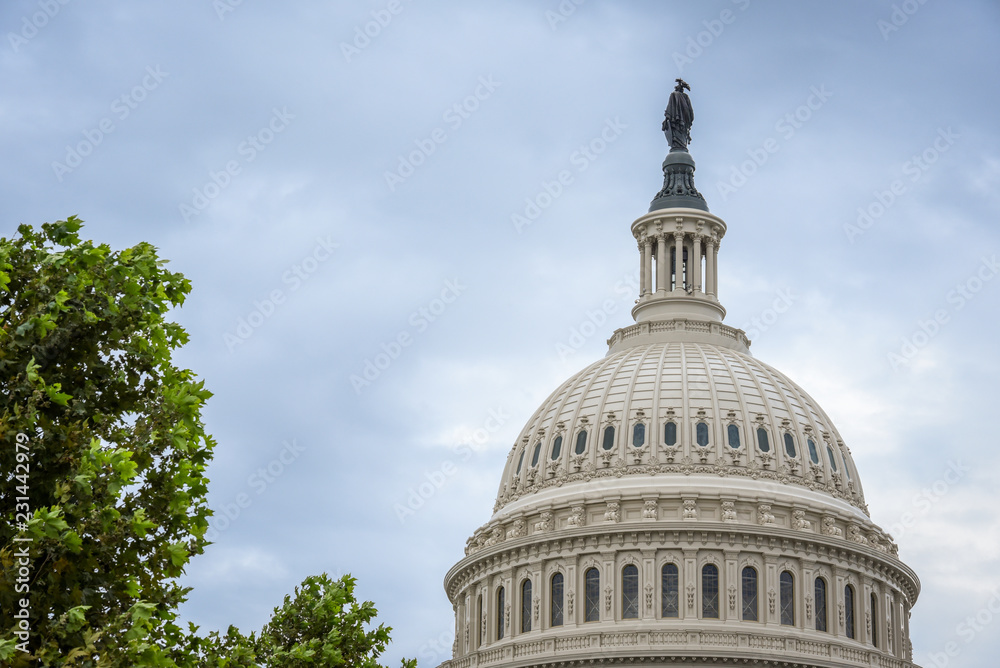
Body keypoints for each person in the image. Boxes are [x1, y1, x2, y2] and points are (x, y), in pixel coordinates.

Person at [662, 79, 694, 152]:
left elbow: (670, 108)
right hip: (684, 121)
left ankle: (678, 144)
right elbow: (690, 111)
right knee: (681, 131)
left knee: (678, 131)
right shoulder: (684, 96)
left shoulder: (674, 94)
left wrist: (668, 117)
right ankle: (680, 144)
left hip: (676, 120)